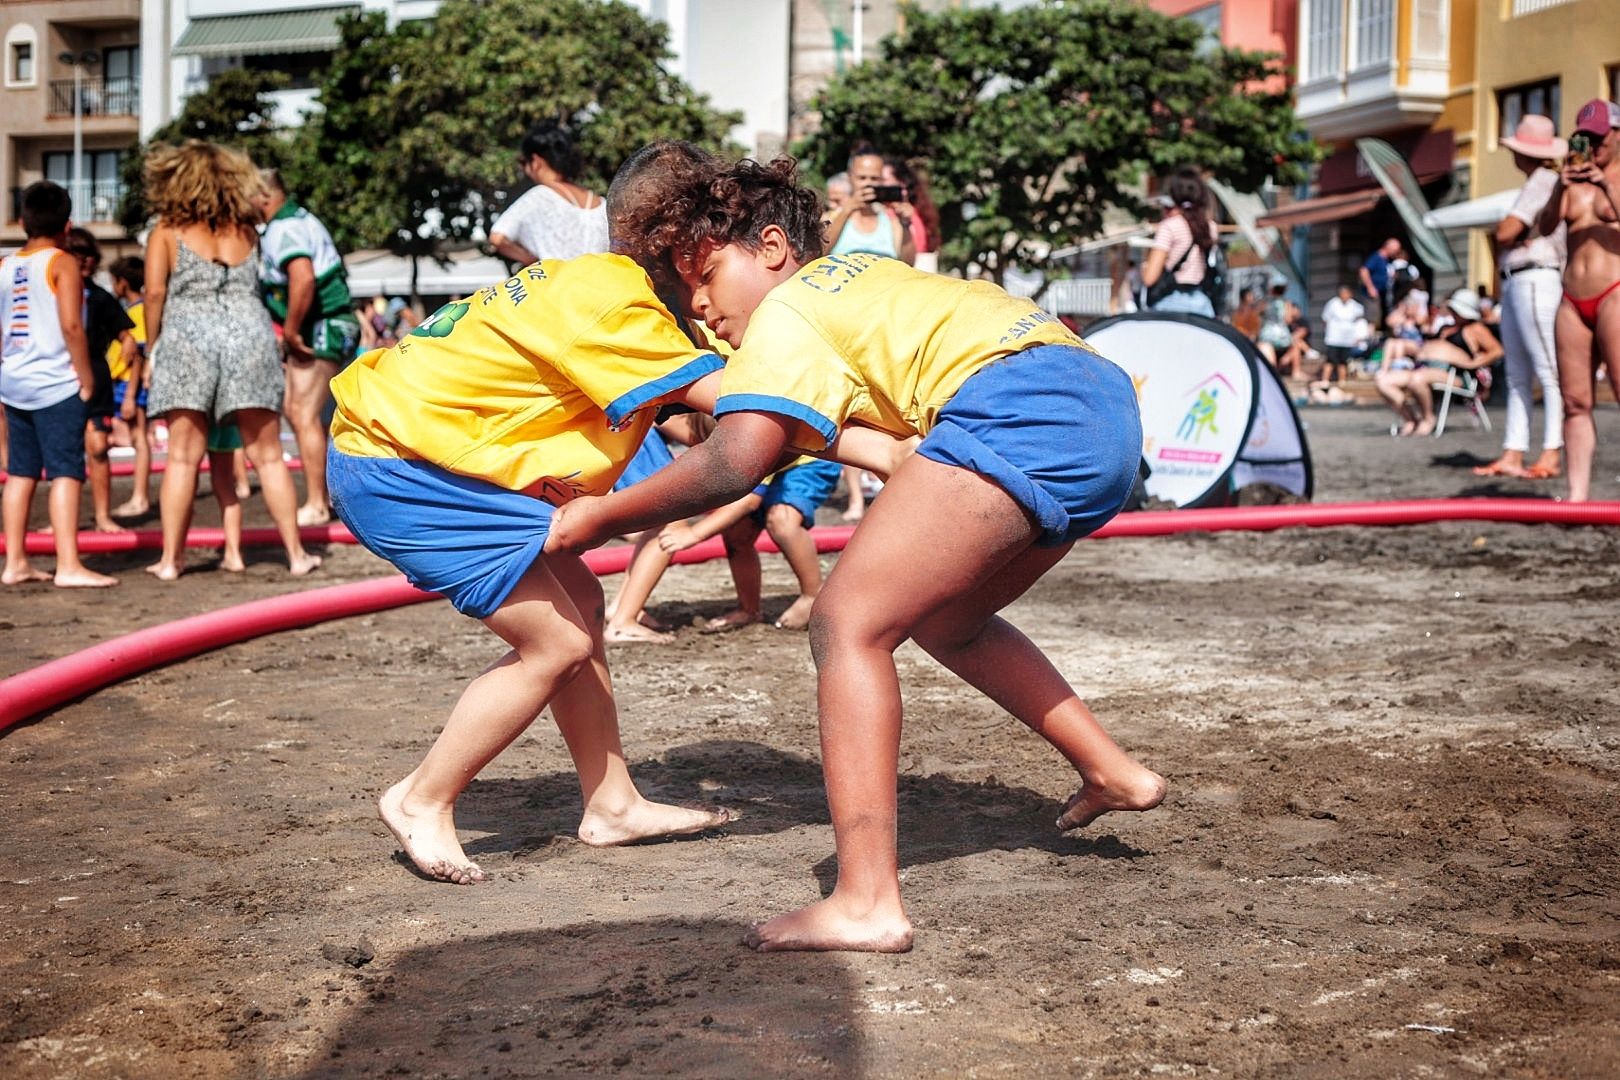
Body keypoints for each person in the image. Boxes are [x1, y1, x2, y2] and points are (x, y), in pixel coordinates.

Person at [550, 146, 1166, 953]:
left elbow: (737, 460)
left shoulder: (785, 310)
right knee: (950, 622)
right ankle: (1115, 772)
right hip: (1099, 400)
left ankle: (867, 899)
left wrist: (600, 515)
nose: (699, 306)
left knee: (846, 622)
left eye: (703, 277)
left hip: (1018, 405)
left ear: (771, 248)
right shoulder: (854, 283)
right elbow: (842, 430)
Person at [324, 146, 913, 885]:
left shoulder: (609, 292)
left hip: (417, 454)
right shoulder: (615, 301)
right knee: (556, 643)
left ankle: (611, 802)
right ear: (678, 238)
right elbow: (747, 405)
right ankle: (422, 797)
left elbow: (697, 415)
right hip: (400, 468)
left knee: (582, 603)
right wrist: (881, 447)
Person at [142, 141, 320, 580]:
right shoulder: (247, 229)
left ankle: (170, 560)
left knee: (183, 457)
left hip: (188, 335)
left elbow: (154, 293)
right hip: (249, 334)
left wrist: (152, 347)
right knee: (269, 455)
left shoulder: (166, 230)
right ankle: (296, 554)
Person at [0, 181, 118, 588]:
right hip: (55, 382)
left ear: (21, 222)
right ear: (67, 225)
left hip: (14, 381)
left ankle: (15, 561)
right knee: (66, 471)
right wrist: (85, 378)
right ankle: (68, 563)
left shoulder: (4, 264)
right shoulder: (62, 263)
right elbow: (72, 325)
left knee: (20, 472)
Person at [254, 168, 361, 527]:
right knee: (305, 412)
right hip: (329, 322)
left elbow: (302, 277)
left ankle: (318, 502)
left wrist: (291, 331)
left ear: (263, 196)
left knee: (302, 413)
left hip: (324, 323)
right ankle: (327, 497)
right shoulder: (295, 220)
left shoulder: (285, 227)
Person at [1478, 115, 1567, 480]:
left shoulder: (1543, 181)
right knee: (1524, 372)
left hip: (1535, 278)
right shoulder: (1541, 181)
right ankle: (1516, 451)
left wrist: (1511, 234)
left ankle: (1551, 450)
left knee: (1546, 370)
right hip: (1523, 279)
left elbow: (1505, 231)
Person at [1540, 98, 1620, 502]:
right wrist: (1560, 186)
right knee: (1574, 401)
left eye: (1599, 137)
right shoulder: (1573, 181)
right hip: (1572, 298)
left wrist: (1605, 184)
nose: (1592, 145)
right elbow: (1544, 225)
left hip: (1615, 293)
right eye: (1584, 137)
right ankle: (1577, 496)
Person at [662, 457, 845, 631]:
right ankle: (749, 610)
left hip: (807, 461)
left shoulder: (747, 434)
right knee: (737, 533)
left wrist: (694, 533)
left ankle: (813, 595)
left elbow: (749, 501)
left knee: (783, 520)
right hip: (765, 465)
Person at [64, 228, 136, 533]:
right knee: (64, 452)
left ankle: (104, 516)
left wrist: (128, 358)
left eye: (90, 256)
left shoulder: (101, 297)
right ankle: (63, 522)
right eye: (79, 254)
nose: (86, 261)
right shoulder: (51, 293)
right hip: (60, 379)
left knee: (97, 448)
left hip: (96, 378)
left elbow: (127, 335)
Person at [1374, 288, 1503, 436]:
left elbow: (1497, 350)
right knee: (1383, 381)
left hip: (1455, 373)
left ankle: (1428, 418)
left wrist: (1474, 363)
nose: (1453, 313)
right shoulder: (1447, 327)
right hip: (1426, 368)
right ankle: (1411, 419)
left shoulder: (1475, 328)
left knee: (1417, 379)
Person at [487, 121, 609, 266]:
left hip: (557, 285)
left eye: (524, 162)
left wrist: (532, 261)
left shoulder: (539, 196)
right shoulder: (602, 205)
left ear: (536, 161)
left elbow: (498, 238)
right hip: (600, 286)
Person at [107, 256, 153, 518]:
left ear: (122, 283)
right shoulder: (136, 310)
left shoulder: (137, 312)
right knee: (137, 437)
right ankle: (139, 495)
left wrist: (131, 394)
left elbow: (138, 355)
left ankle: (140, 496)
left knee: (139, 437)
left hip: (129, 384)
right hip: (124, 384)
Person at [1140, 168, 1218, 317]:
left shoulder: (1170, 226)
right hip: (1202, 304)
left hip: (1170, 303)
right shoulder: (1210, 227)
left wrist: (1144, 268)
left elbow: (1150, 278)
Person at [1320, 283, 1365, 386]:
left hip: (1347, 339)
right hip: (1334, 337)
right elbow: (1325, 319)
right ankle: (1325, 380)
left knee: (1343, 361)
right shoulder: (1332, 304)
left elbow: (1359, 321)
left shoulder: (1355, 306)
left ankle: (1342, 381)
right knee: (1330, 359)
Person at [1359, 237, 1400, 322]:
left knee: (1378, 317)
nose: (1396, 253)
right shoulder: (1376, 257)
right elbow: (1364, 271)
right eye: (1395, 250)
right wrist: (1370, 287)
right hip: (1371, 294)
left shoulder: (1386, 261)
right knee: (1371, 318)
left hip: (1381, 294)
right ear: (1388, 247)